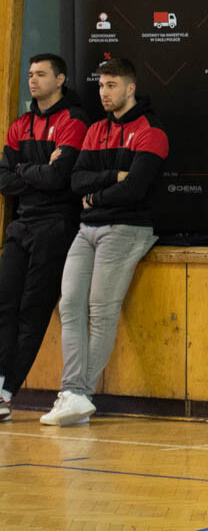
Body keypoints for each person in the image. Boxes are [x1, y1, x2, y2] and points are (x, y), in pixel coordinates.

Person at [39, 58, 168, 426]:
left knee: (100, 311)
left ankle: (78, 394)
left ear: (130, 88)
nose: (104, 92)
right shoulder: (95, 129)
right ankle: (72, 395)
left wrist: (96, 196)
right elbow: (76, 180)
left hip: (127, 228)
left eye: (112, 85)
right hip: (87, 230)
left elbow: (135, 188)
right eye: (100, 85)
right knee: (70, 306)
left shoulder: (151, 131)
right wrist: (112, 176)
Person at [0, 54, 88, 421]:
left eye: (41, 74)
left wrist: (23, 170)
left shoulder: (74, 120)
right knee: (4, 303)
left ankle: (6, 392)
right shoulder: (21, 124)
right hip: (21, 225)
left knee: (32, 311)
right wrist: (35, 170)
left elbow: (59, 178)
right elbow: (3, 178)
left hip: (56, 226)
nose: (33, 80)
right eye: (30, 74)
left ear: (60, 79)